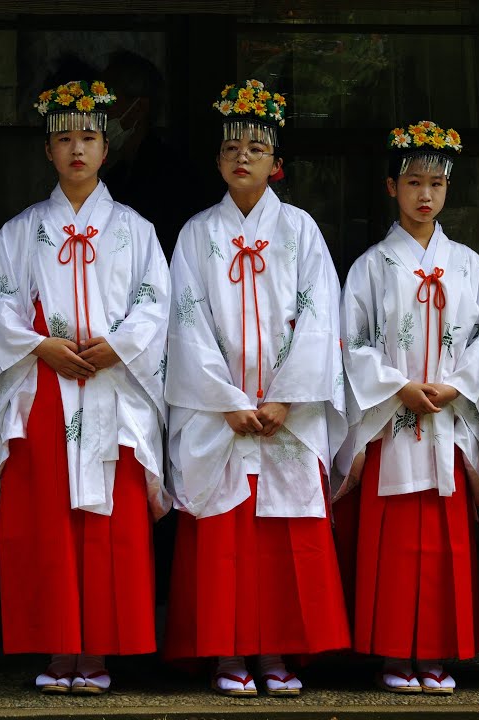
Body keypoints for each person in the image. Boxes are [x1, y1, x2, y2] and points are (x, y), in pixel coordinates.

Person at [0, 77, 171, 695]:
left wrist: (120, 345)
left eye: (88, 138)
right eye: (64, 139)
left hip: (113, 387)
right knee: (45, 519)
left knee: (110, 524)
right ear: (47, 151)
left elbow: (156, 305)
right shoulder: (22, 230)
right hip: (42, 390)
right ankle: (56, 649)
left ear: (108, 148)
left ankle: (99, 652)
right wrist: (40, 346)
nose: (76, 150)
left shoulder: (135, 229)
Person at [162, 79, 349, 698]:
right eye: (232, 147)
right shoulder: (195, 234)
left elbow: (321, 316)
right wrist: (228, 400)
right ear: (218, 160)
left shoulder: (300, 231)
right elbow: (185, 321)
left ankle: (276, 653)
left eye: (257, 149)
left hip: (284, 410)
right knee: (224, 532)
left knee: (281, 531)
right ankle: (228, 652)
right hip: (220, 409)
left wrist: (285, 398)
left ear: (277, 164)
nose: (243, 156)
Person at [333, 120, 479, 695]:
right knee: (395, 545)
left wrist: (456, 385)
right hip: (392, 423)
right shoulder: (372, 266)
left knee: (445, 542)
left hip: (447, 415)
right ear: (391, 187)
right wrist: (398, 387)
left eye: (437, 184)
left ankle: (437, 655)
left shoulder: (471, 265)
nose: (425, 195)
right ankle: (396, 655)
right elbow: (352, 342)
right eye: (413, 182)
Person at [99, 50, 216, 259]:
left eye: (109, 103)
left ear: (138, 108)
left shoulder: (174, 175)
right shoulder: (115, 176)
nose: (101, 114)